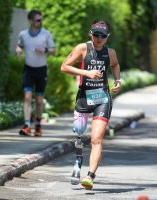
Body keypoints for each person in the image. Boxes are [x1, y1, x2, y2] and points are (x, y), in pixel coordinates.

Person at [61, 20, 121, 190]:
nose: (99, 38)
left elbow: (115, 65)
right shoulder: (82, 48)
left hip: (102, 98)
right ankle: (78, 158)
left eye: (102, 36)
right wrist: (86, 72)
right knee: (79, 134)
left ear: (107, 37)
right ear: (90, 34)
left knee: (96, 138)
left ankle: (90, 176)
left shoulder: (110, 53)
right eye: (96, 35)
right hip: (83, 98)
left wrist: (117, 80)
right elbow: (64, 67)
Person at [16, 10, 55, 136]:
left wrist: (44, 50)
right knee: (27, 97)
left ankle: (38, 125)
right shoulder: (23, 34)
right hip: (28, 69)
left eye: (41, 19)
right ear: (31, 21)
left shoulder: (46, 34)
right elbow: (20, 45)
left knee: (39, 100)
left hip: (41, 69)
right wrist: (18, 51)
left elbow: (53, 51)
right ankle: (27, 125)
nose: (41, 22)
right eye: (38, 20)